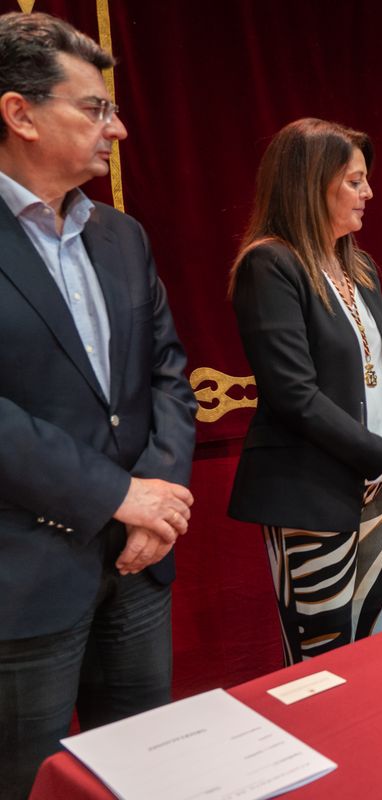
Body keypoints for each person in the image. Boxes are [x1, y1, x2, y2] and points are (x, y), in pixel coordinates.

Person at [0, 13, 196, 797]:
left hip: (139, 562)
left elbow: (168, 373)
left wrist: (156, 500)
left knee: (147, 772)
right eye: (94, 108)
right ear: (20, 114)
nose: (117, 129)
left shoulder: (122, 236)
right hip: (23, 575)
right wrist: (118, 494)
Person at [227, 118, 382, 666]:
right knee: (323, 656)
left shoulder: (358, 265)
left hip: (375, 492)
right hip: (309, 491)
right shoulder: (271, 263)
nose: (368, 193)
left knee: (377, 644)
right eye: (355, 181)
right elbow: (295, 395)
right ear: (311, 184)